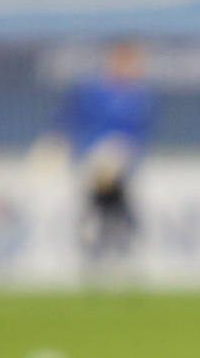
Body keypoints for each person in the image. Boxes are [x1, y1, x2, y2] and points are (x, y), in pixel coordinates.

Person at [41, 40, 156, 279]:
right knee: (97, 210)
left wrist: (125, 155)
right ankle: (95, 257)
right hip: (93, 161)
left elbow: (140, 134)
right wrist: (61, 144)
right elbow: (70, 120)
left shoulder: (140, 96)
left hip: (123, 165)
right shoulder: (93, 91)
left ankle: (120, 255)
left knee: (119, 211)